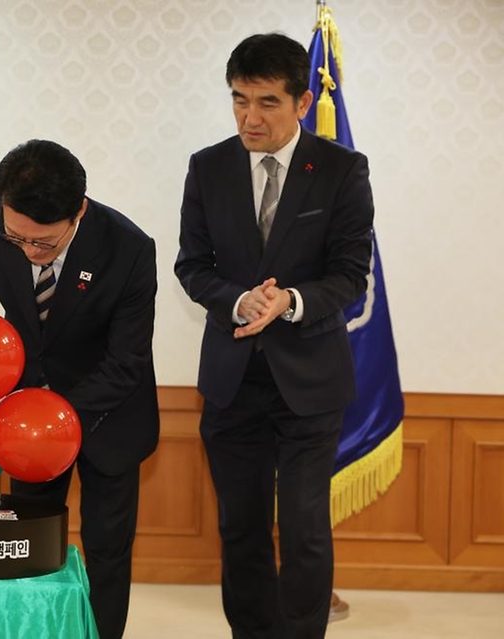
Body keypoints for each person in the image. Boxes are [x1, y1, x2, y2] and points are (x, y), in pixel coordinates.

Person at [174, 33, 374, 639]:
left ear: (302, 101)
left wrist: (290, 301)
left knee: (306, 529)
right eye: (239, 100)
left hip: (310, 382)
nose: (249, 118)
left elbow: (350, 275)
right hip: (233, 382)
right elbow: (193, 265)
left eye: (267, 102)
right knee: (241, 527)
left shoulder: (341, 169)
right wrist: (239, 300)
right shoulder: (208, 167)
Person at [0, 139, 159, 639]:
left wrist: (50, 416)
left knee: (107, 552)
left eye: (44, 244)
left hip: (107, 415)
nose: (30, 252)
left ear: (79, 211)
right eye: (17, 240)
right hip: (23, 420)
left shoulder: (129, 248)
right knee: (27, 546)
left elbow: (127, 361)